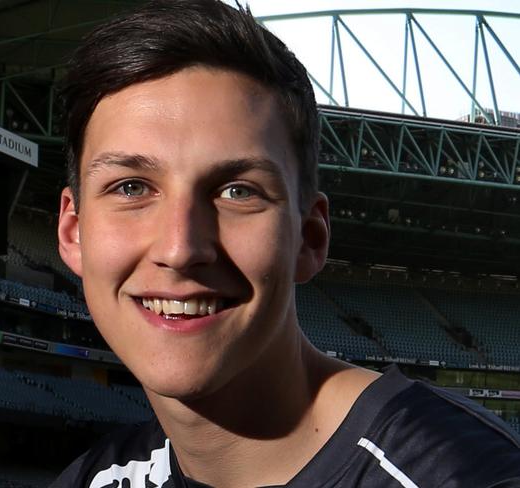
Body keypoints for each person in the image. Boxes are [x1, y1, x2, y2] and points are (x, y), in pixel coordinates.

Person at [52, 1, 520, 486]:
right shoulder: (92, 477)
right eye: (130, 187)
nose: (179, 248)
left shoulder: (460, 474)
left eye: (238, 191)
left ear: (310, 238)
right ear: (73, 231)